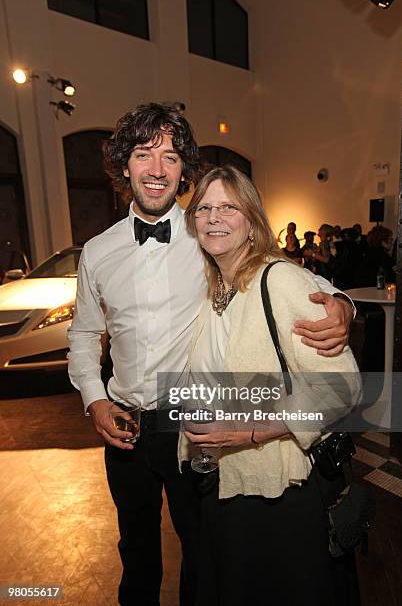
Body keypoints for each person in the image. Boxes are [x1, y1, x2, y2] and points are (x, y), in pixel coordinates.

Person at [67, 103, 355, 606]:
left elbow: (290, 279)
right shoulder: (97, 252)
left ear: (184, 172)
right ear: (123, 165)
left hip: (190, 424)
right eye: (143, 154)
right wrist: (95, 400)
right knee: (135, 553)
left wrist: (343, 306)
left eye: (171, 157)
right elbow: (84, 335)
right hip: (124, 424)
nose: (157, 169)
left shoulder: (205, 235)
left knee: (205, 554)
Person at [183, 165, 361, 606]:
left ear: (251, 221)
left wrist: (251, 430)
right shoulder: (213, 289)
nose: (213, 217)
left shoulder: (278, 279)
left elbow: (342, 387)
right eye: (204, 208)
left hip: (278, 488)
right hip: (224, 477)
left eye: (228, 206)